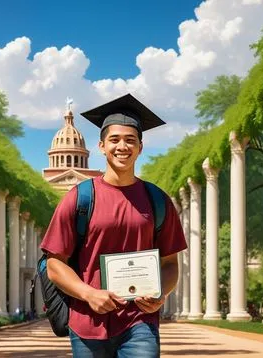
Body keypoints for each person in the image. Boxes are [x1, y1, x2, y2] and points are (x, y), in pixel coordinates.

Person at [40, 93, 187, 357]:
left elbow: (170, 263)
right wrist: (88, 294)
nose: (122, 146)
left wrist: (160, 294)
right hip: (88, 322)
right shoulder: (79, 198)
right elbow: (54, 264)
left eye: (130, 140)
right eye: (115, 139)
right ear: (101, 146)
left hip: (139, 321)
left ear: (140, 147)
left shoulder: (157, 200)